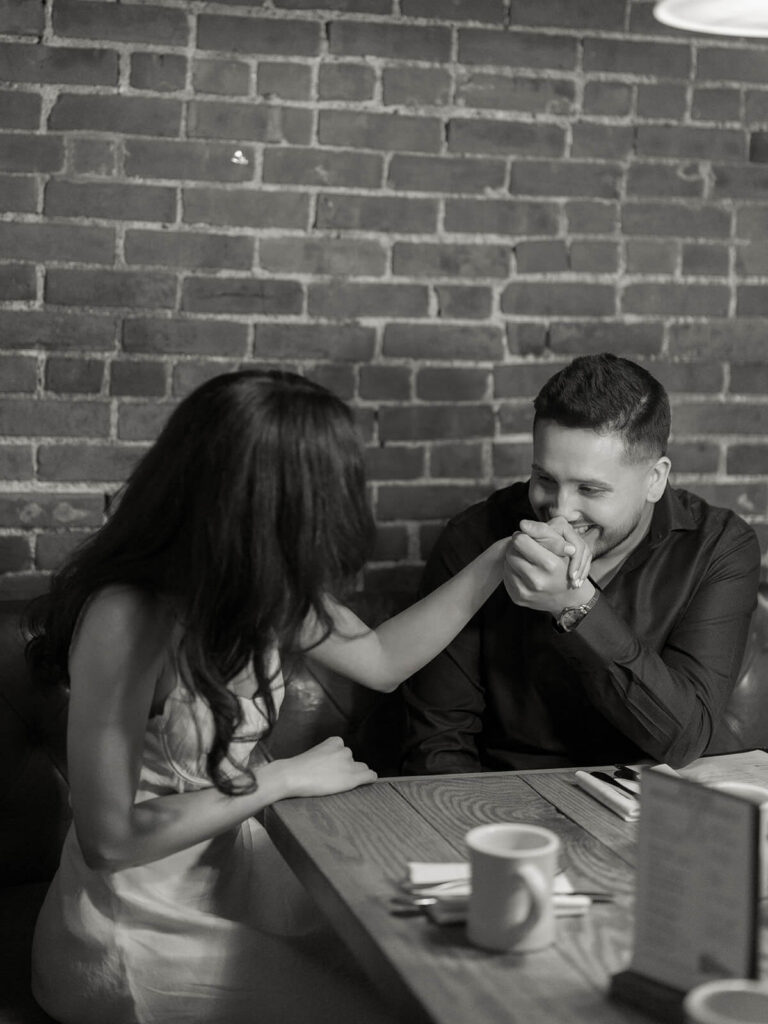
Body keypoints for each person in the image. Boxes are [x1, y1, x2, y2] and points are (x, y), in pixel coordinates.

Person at [25, 369, 591, 1024]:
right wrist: (280, 779)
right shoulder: (126, 615)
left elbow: (381, 661)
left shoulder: (260, 584)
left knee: (429, 971)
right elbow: (110, 840)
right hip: (135, 923)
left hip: (230, 872)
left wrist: (500, 558)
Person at [402, 352, 761, 776]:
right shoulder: (475, 537)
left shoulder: (718, 548)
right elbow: (439, 741)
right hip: (503, 794)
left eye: (589, 489)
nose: (561, 510)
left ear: (655, 479)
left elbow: (684, 737)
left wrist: (577, 608)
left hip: (644, 797)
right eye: (545, 479)